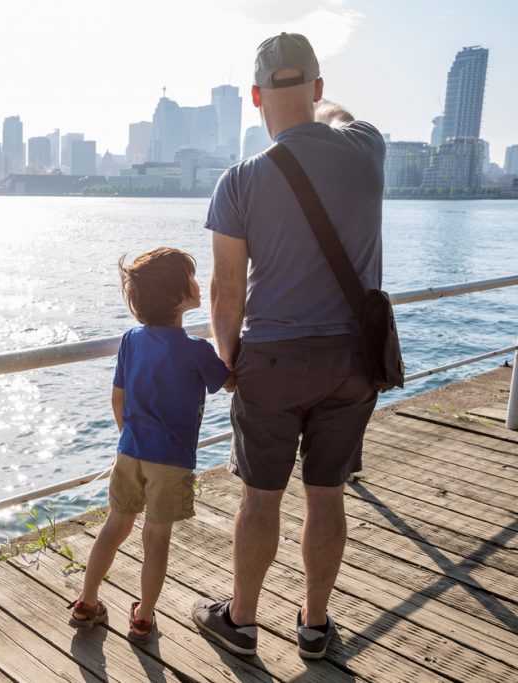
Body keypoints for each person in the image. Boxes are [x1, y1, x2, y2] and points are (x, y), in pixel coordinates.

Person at [191, 33, 385, 660]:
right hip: (352, 361)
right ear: (319, 89)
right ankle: (315, 626)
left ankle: (241, 623)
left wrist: (227, 361)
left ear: (255, 97)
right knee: (326, 493)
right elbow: (343, 119)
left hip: (272, 361)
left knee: (260, 498)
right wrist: (323, 112)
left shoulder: (241, 180)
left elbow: (225, 293)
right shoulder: (367, 150)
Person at [70, 247, 231, 643]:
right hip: (171, 461)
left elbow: (117, 399)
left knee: (114, 527)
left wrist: (130, 436)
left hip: (129, 451)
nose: (198, 282)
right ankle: (143, 617)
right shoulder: (196, 350)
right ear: (180, 296)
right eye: (192, 278)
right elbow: (229, 381)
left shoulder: (131, 339)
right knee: (155, 538)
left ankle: (86, 602)